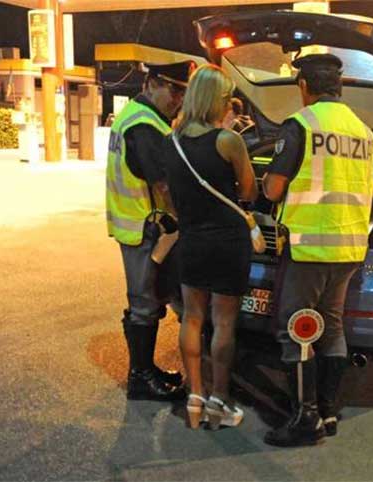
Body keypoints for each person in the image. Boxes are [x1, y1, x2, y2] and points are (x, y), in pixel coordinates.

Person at [261, 53, 373, 447]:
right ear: (339, 88)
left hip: (309, 246)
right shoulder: (364, 132)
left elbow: (274, 189)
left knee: (295, 331)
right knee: (332, 328)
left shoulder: (302, 125)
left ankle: (303, 418)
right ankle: (328, 411)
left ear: (304, 87)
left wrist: (265, 187)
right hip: (349, 246)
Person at [163, 64, 258, 429]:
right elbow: (248, 192)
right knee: (223, 323)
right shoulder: (227, 141)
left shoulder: (170, 141)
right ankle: (220, 399)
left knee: (191, 318)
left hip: (192, 241)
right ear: (218, 100)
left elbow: (168, 193)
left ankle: (194, 398)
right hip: (227, 243)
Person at [106, 60, 195, 402]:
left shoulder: (137, 116)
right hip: (147, 226)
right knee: (145, 302)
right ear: (152, 83)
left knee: (149, 298)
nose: (178, 99)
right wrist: (186, 220)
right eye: (174, 89)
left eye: (183, 92)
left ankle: (146, 369)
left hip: (136, 223)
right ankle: (140, 377)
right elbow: (164, 185)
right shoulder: (145, 126)